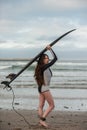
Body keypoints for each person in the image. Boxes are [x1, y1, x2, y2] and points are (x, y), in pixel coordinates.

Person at [34, 45, 57, 128]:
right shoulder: (44, 67)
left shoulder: (40, 67)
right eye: (46, 58)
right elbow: (55, 59)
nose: (48, 59)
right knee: (52, 105)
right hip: (45, 89)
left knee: (41, 106)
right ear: (43, 60)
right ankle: (42, 120)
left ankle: (40, 122)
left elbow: (41, 58)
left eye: (48, 58)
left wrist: (44, 51)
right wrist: (50, 50)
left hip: (40, 88)